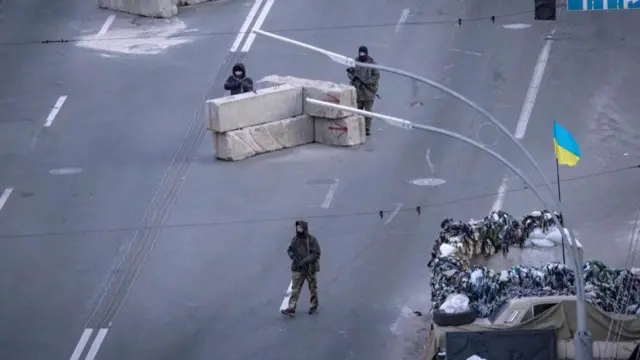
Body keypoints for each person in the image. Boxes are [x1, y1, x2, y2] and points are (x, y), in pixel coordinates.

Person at [281, 220, 321, 317]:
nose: (299, 229)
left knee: (312, 288)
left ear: (304, 228)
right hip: (298, 268)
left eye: (300, 228)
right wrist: (292, 256)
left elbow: (316, 253)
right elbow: (290, 250)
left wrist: (305, 261)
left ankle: (313, 305)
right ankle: (291, 308)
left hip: (309, 268)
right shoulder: (295, 239)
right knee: (295, 289)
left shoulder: (311, 239)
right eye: (297, 228)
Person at [346, 45, 380, 136]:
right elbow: (349, 73)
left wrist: (366, 82)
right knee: (358, 110)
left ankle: (367, 128)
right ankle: (358, 127)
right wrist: (353, 78)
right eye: (360, 53)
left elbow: (376, 76)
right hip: (358, 91)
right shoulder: (355, 62)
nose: (362, 55)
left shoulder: (372, 64)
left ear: (367, 54)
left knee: (368, 111)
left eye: (363, 53)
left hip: (369, 91)